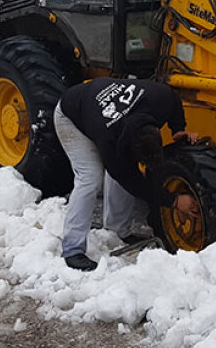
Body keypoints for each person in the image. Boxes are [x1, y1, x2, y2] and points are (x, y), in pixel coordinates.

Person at [54, 77, 199, 271]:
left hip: (96, 104)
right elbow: (130, 181)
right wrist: (173, 200)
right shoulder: (108, 141)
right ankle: (72, 249)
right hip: (70, 116)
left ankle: (117, 230)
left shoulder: (160, 99)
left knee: (123, 169)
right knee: (90, 178)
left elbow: (174, 98)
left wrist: (178, 129)